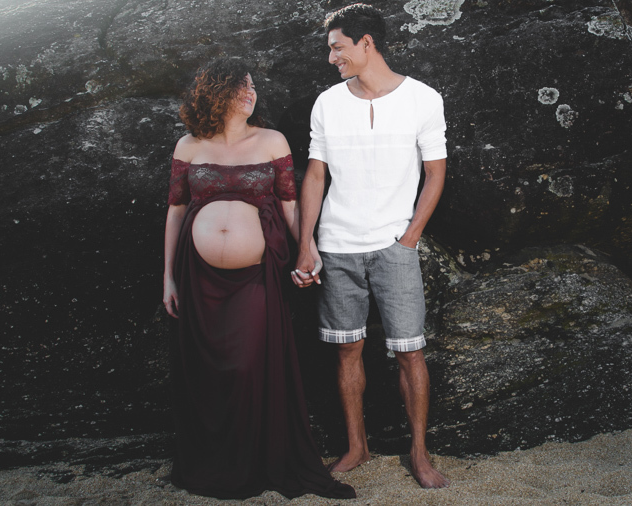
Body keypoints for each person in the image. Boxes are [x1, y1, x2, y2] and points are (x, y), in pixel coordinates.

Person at [162, 58, 355, 500]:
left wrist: (308, 251)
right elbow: (175, 211)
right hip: (198, 279)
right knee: (207, 372)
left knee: (248, 366)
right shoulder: (188, 146)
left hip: (255, 278)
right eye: (239, 87)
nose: (250, 94)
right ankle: (216, 464)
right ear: (216, 92)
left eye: (252, 87)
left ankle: (255, 462)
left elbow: (290, 205)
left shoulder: (272, 141)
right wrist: (168, 278)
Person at [293, 3, 450, 489]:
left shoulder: (423, 99)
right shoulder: (327, 103)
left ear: (366, 42)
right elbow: (315, 175)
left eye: (337, 47)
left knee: (409, 352)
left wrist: (409, 239)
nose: (331, 57)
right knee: (347, 353)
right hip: (337, 247)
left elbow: (436, 173)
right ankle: (356, 446)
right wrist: (307, 243)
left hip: (394, 248)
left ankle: (420, 454)